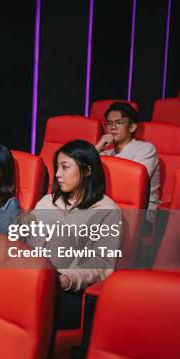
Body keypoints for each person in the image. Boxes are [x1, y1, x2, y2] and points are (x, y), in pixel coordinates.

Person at [29, 140, 120, 329]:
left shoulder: (107, 210)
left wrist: (62, 280)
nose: (57, 174)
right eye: (56, 167)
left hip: (69, 292)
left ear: (87, 171)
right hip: (33, 280)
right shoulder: (46, 202)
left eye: (64, 167)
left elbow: (101, 267)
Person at [94, 101, 160, 210]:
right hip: (108, 207)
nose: (113, 127)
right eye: (109, 123)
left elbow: (133, 185)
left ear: (132, 127)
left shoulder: (146, 149)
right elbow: (81, 170)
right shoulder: (105, 153)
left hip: (140, 212)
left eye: (119, 122)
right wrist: (98, 146)